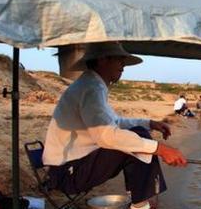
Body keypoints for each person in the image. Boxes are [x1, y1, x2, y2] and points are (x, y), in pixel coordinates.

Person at [42, 41, 187, 209]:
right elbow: (107, 136)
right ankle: (140, 204)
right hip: (67, 174)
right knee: (138, 140)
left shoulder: (92, 84)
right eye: (120, 60)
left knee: (139, 132)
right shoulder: (91, 88)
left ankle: (141, 200)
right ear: (103, 59)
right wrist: (161, 149)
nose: (123, 66)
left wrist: (149, 123)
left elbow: (115, 123)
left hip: (73, 167)